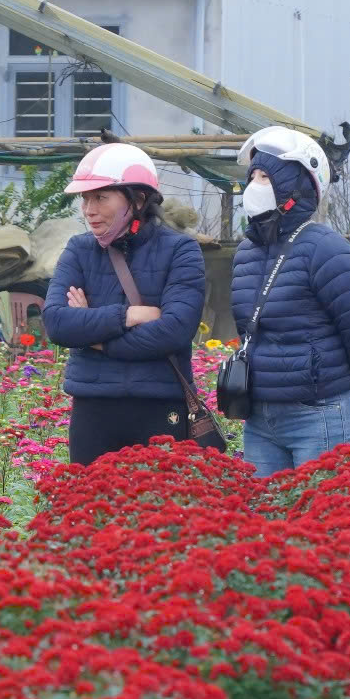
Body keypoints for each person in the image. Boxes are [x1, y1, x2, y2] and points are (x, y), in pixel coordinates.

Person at [225, 127, 350, 477]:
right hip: (261, 418)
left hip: (320, 411)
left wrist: (349, 389)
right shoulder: (246, 254)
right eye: (252, 176)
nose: (254, 185)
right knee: (265, 522)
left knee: (326, 522)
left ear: (294, 188)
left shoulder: (325, 248)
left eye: (266, 176)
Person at [44, 142, 209, 466]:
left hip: (160, 408)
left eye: (101, 197)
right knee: (88, 511)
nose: (89, 209)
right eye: (85, 199)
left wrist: (94, 337)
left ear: (137, 199)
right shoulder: (79, 249)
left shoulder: (181, 250)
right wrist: (127, 315)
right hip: (93, 409)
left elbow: (175, 331)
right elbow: (56, 322)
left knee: (160, 512)